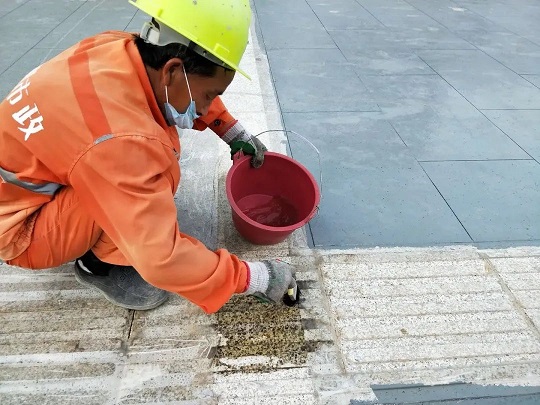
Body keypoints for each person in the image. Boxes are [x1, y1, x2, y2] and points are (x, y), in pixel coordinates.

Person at [0, 0, 297, 313]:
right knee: (154, 170)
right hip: (21, 233)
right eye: (210, 96)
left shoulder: (115, 46)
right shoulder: (119, 143)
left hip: (25, 187)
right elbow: (161, 257)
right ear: (172, 70)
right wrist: (254, 277)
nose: (206, 108)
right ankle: (99, 266)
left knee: (144, 153)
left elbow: (185, 90)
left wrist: (230, 130)